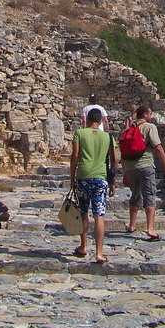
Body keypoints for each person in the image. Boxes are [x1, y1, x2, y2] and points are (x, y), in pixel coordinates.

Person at [70, 107, 117, 263]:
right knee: (99, 215)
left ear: (88, 120)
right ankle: (99, 252)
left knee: (83, 212)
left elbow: (75, 155)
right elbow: (114, 161)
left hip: (83, 176)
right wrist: (113, 182)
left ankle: (83, 246)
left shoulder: (80, 134)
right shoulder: (108, 137)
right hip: (101, 177)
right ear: (101, 121)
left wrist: (72, 178)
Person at [123, 105, 165, 241]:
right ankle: (150, 229)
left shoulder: (129, 129)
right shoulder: (149, 127)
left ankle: (132, 225)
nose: (151, 117)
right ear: (145, 115)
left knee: (135, 195)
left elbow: (123, 152)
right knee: (150, 195)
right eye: (150, 114)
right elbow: (158, 148)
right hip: (145, 166)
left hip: (130, 167)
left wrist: (125, 172)